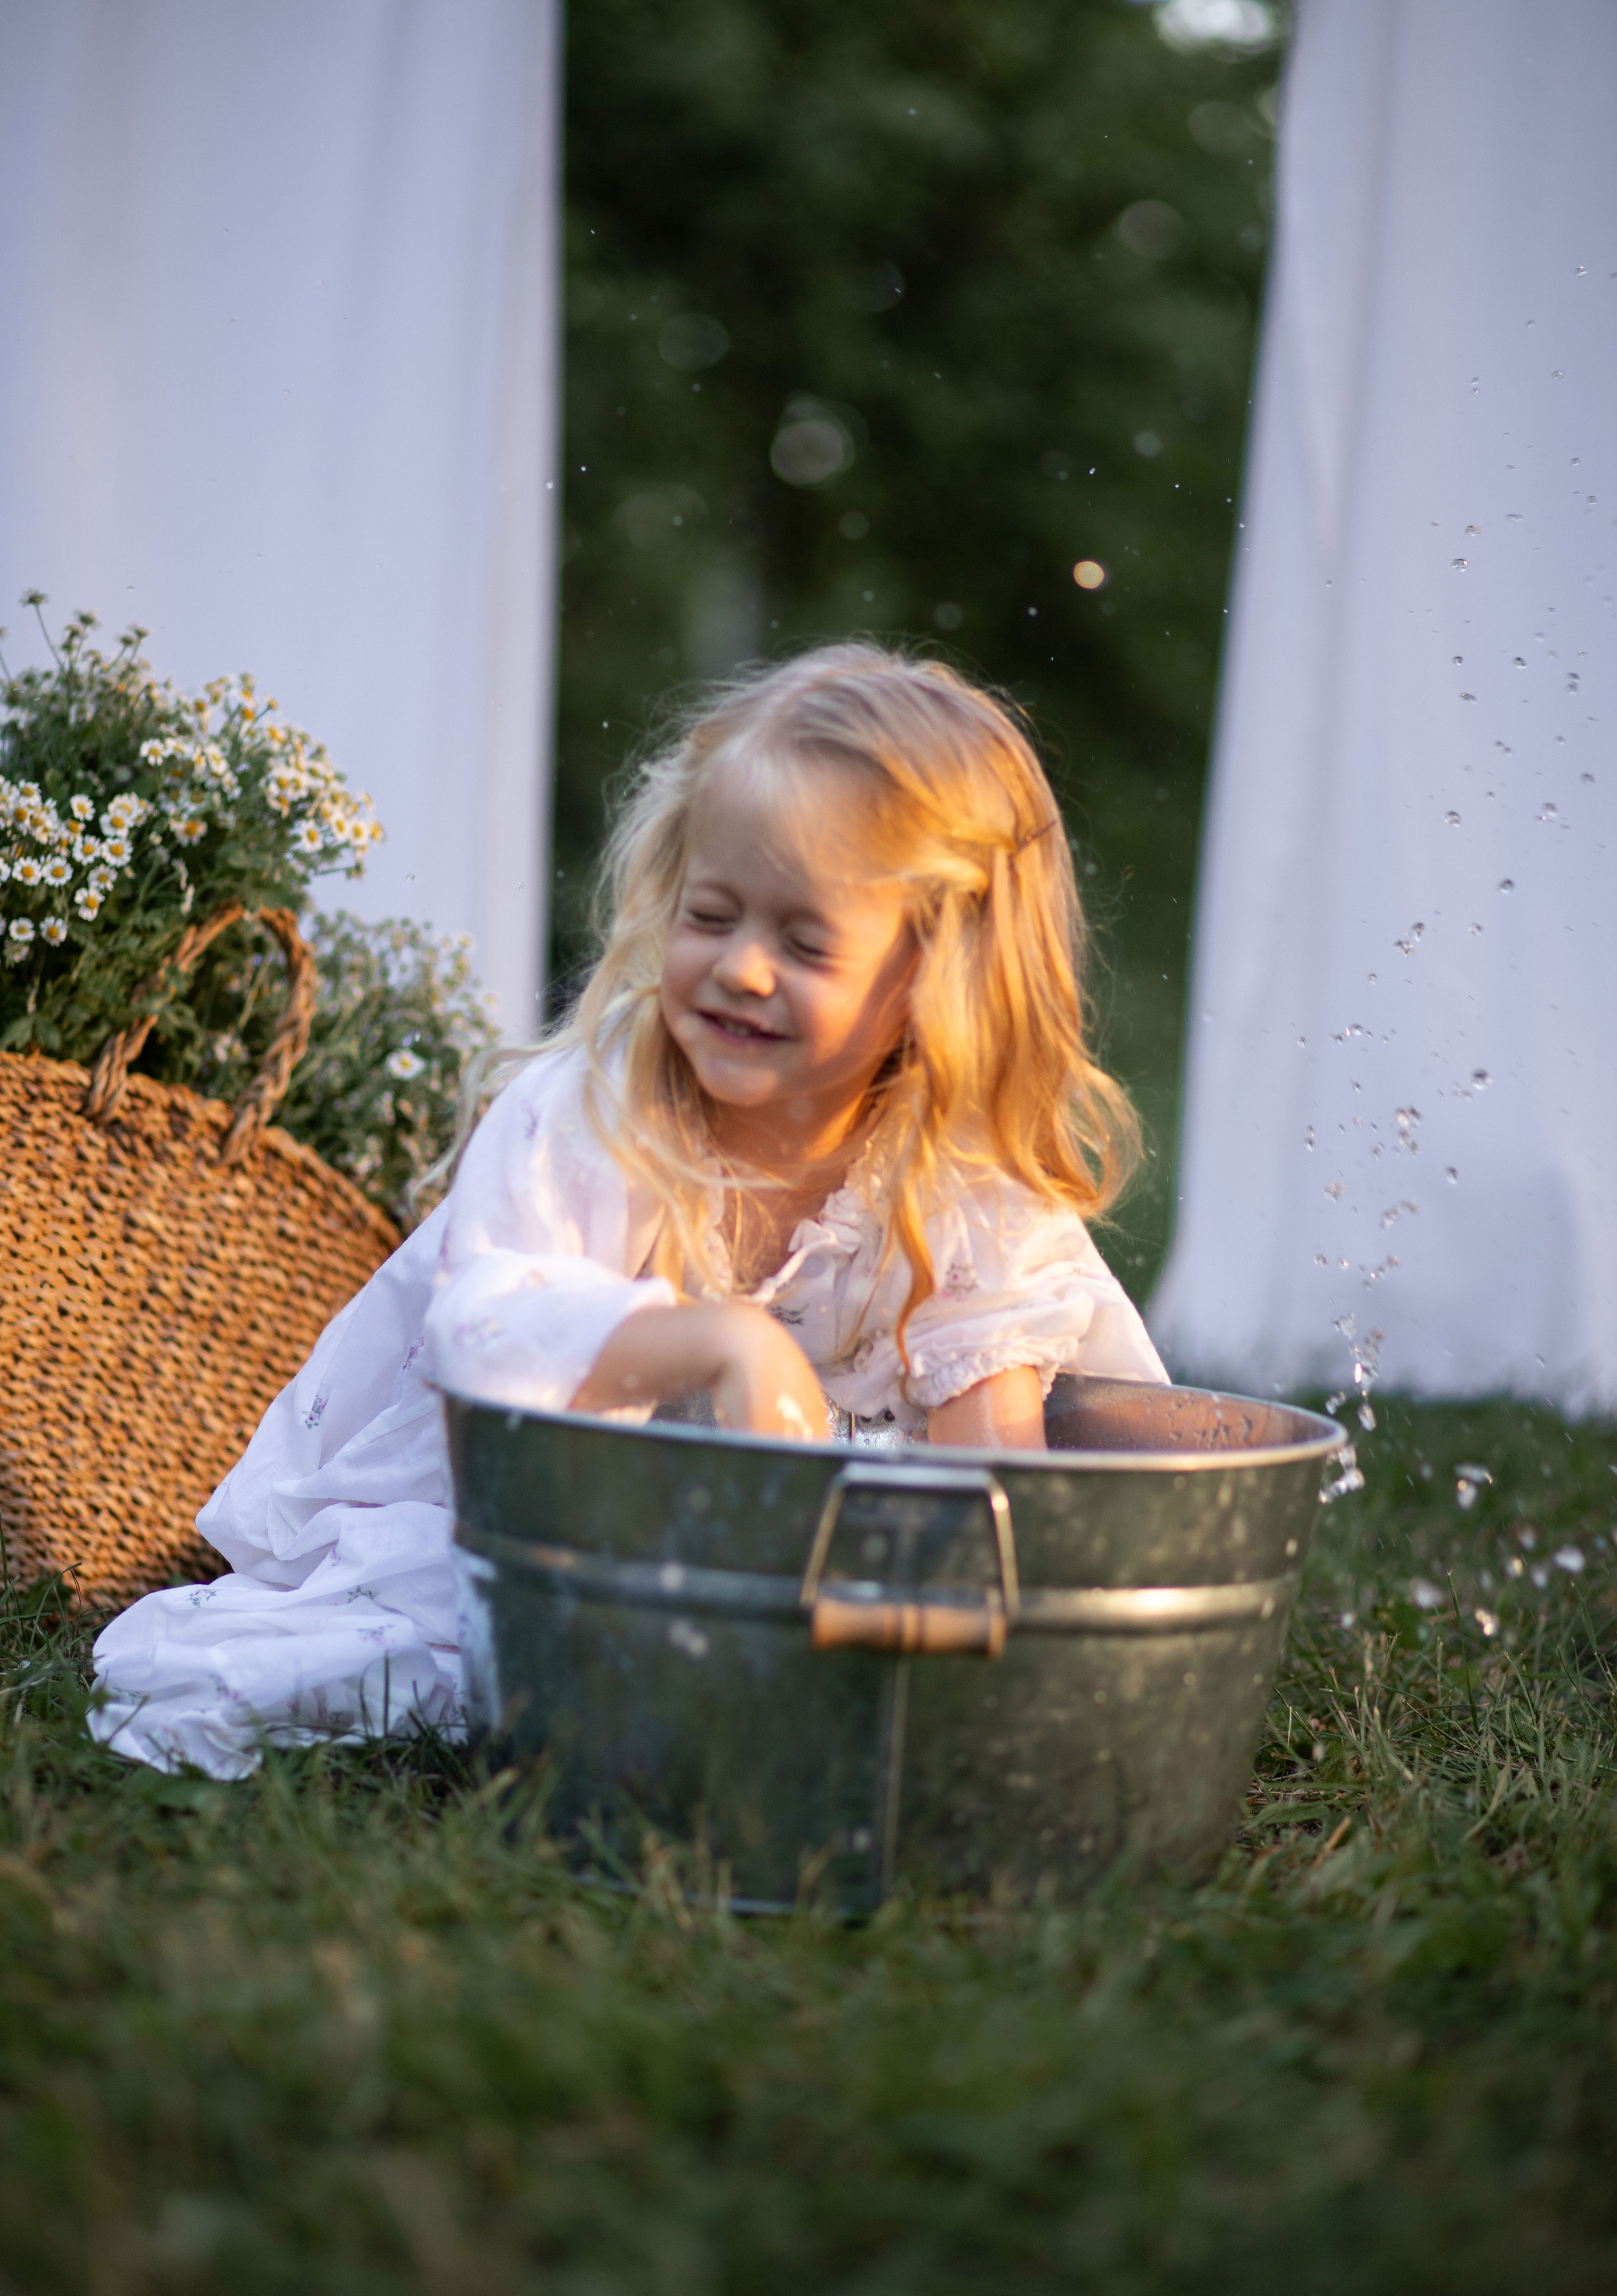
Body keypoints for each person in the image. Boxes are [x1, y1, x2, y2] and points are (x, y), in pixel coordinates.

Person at [90, 644, 1169, 1778]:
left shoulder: (962, 1178)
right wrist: (726, 1339)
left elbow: (989, 1474)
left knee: (910, 1688)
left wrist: (958, 1643)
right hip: (538, 1517)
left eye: (804, 943)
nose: (742, 970)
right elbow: (489, 1333)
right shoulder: (598, 1113)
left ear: (932, 983)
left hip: (806, 1553)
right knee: (429, 1658)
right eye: (712, 916)